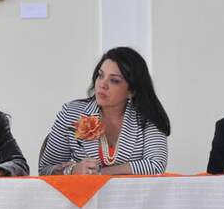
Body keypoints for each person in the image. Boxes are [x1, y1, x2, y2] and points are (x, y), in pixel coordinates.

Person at [38, 47, 170, 175]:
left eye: (114, 80)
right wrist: (72, 171)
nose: (102, 84)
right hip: (82, 191)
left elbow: (156, 164)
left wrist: (101, 173)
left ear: (132, 91)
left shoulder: (147, 117)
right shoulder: (71, 113)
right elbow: (46, 170)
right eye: (100, 76)